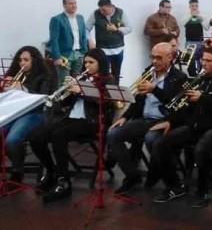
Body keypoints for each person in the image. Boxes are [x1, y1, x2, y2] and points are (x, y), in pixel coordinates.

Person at [151, 47, 212, 208]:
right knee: (160, 143)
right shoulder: (201, 79)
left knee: (200, 149)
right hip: (196, 126)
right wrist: (174, 116)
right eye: (202, 60)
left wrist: (202, 98)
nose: (203, 63)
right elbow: (186, 109)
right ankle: (174, 186)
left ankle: (202, 192)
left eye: (207, 60)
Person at [29, 48, 115, 203]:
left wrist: (81, 91)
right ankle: (51, 171)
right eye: (86, 62)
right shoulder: (81, 79)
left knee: (58, 135)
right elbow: (64, 103)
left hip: (91, 122)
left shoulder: (108, 80)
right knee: (36, 136)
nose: (87, 65)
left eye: (91, 62)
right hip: (71, 118)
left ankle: (64, 182)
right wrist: (68, 91)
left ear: (100, 63)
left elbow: (107, 103)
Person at [106, 42, 187, 194]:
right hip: (145, 119)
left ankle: (158, 175)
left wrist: (155, 89)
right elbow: (138, 99)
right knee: (113, 134)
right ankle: (132, 176)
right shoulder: (148, 72)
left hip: (165, 121)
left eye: (159, 58)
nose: (154, 61)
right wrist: (125, 116)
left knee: (151, 139)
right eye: (152, 57)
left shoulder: (180, 77)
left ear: (170, 57)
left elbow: (175, 104)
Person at [0, 46, 54, 182]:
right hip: (15, 113)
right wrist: (3, 87)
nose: (22, 63)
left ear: (34, 61)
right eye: (20, 60)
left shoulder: (45, 76)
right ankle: (15, 159)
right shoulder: (15, 73)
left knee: (12, 140)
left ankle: (17, 171)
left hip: (35, 113)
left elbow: (44, 98)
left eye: (26, 60)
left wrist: (23, 89)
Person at [86, 0, 131, 84]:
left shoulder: (120, 13)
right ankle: (102, 93)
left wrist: (117, 29)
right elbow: (86, 28)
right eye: (100, 10)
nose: (102, 12)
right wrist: (90, 40)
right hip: (102, 50)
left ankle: (115, 94)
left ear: (110, 6)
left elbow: (129, 28)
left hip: (118, 49)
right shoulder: (96, 14)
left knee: (116, 75)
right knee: (102, 75)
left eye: (104, 10)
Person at [48, 0, 88, 86]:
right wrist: (57, 57)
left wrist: (85, 52)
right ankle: (62, 100)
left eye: (74, 3)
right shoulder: (57, 19)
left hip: (79, 54)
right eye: (70, 3)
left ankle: (75, 100)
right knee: (64, 82)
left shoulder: (80, 18)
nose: (73, 5)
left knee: (78, 81)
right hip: (65, 55)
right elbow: (54, 40)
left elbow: (83, 36)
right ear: (64, 5)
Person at [182, 0, 209, 72]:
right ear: (189, 7)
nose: (194, 7)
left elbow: (207, 28)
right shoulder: (186, 16)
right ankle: (191, 75)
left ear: (198, 6)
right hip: (189, 42)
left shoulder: (202, 16)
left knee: (200, 60)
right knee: (188, 60)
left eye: (196, 6)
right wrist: (191, 16)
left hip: (200, 42)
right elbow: (181, 24)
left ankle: (200, 73)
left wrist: (201, 20)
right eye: (192, 6)